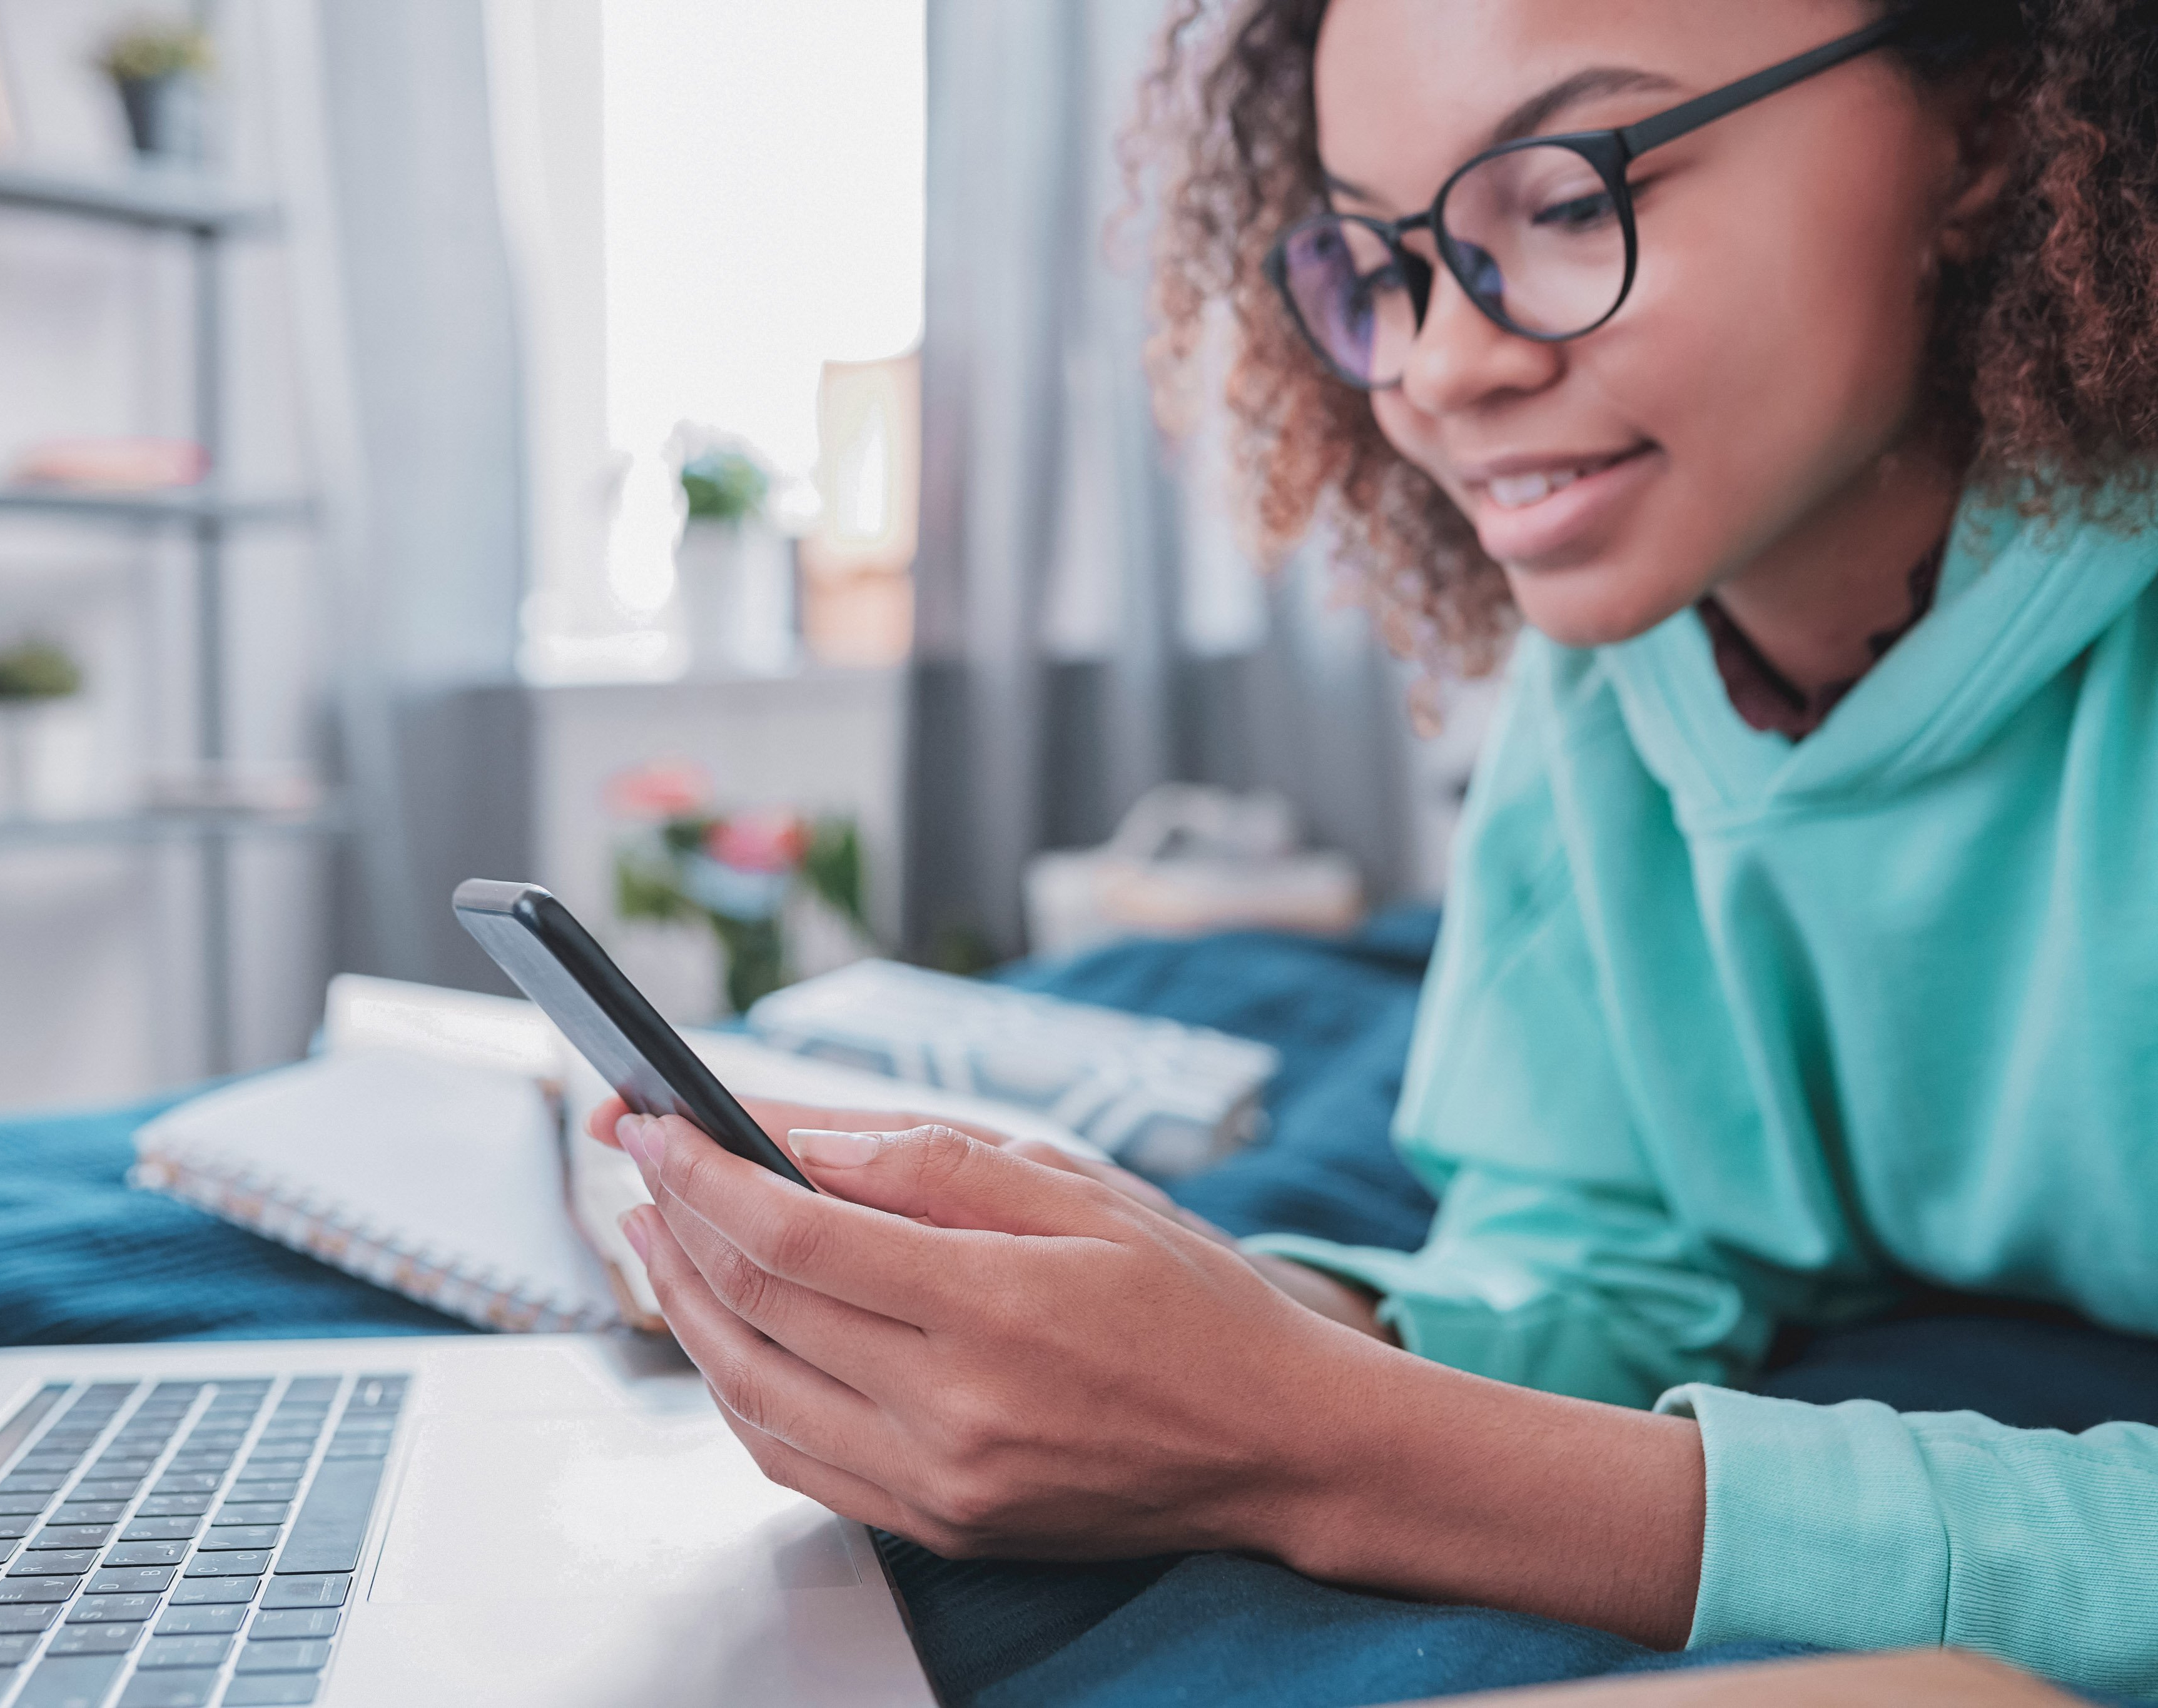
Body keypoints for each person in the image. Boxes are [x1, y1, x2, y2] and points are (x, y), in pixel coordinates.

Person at [593, 1, 2158, 1699]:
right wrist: (1241, 1327)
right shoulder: (1611, 671)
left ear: (1983, 128)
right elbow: (1602, 1250)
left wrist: (1327, 1449)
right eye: (1382, 260)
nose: (1441, 367)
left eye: (1570, 203)